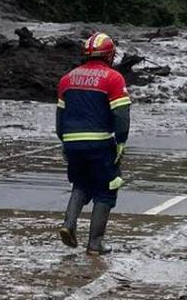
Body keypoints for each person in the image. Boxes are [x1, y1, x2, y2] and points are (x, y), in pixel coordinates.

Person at [56, 32, 132, 255]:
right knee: (107, 190)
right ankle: (95, 244)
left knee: (80, 184)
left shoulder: (67, 79)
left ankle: (68, 224)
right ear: (109, 55)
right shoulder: (113, 78)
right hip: (100, 143)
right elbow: (121, 114)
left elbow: (60, 118)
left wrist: (65, 142)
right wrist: (121, 141)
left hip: (71, 142)